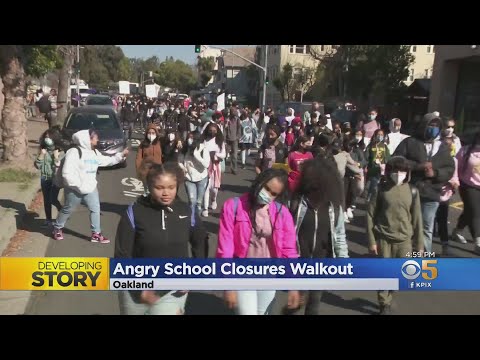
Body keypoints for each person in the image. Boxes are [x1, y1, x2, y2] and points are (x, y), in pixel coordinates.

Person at [115, 162, 208, 315]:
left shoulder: (187, 212)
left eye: (171, 187)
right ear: (150, 187)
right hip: (135, 290)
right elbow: (122, 254)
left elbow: (200, 243)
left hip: (172, 290)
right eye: (159, 188)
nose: (166, 193)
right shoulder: (134, 212)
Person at [216, 168, 300, 315]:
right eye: (266, 188)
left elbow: (289, 250)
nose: (267, 195)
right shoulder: (233, 206)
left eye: (274, 194)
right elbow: (225, 248)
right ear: (260, 182)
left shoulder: (282, 213)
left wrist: (293, 284)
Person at [287, 158, 349, 315]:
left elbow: (340, 236)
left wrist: (343, 261)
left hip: (321, 263)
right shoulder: (296, 203)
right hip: (299, 262)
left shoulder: (334, 209)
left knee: (314, 304)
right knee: (295, 303)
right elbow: (286, 232)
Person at [367, 156, 423, 315]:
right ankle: (384, 303)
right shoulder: (380, 189)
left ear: (408, 172)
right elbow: (370, 215)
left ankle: (390, 297)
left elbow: (418, 219)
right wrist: (372, 241)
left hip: (404, 240)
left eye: (403, 171)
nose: (399, 174)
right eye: (395, 170)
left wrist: (419, 246)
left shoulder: (412, 191)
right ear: (389, 171)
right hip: (384, 238)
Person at [393, 113, 455, 254]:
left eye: (436, 126)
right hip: (409, 191)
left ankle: (422, 257)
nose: (433, 129)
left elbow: (449, 168)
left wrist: (436, 173)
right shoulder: (410, 142)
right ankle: (404, 254)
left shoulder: (443, 147)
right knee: (406, 225)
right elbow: (396, 160)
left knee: (426, 227)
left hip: (432, 193)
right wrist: (417, 166)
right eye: (430, 125)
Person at [52, 129, 129, 242]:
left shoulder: (94, 152)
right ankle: (57, 228)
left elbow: (106, 161)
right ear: (87, 139)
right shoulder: (74, 152)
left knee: (95, 209)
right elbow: (67, 173)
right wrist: (77, 185)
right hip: (74, 188)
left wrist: (121, 155)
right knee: (68, 209)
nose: (97, 139)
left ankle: (96, 234)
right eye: (95, 137)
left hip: (91, 187)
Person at [452, 130, 480, 253]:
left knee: (469, 210)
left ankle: (457, 230)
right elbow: (455, 166)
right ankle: (478, 241)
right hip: (468, 185)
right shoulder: (465, 151)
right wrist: (454, 180)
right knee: (475, 212)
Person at [434, 130, 459, 255]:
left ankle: (445, 244)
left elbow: (455, 177)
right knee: (428, 221)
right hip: (432, 193)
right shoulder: (434, 159)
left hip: (445, 195)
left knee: (442, 219)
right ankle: (422, 249)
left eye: (450, 145)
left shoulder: (454, 161)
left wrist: (453, 184)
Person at [34, 129, 63, 227]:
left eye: (49, 137)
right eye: (46, 137)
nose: (47, 139)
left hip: (55, 179)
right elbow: (38, 166)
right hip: (45, 178)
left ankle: (62, 212)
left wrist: (56, 157)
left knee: (53, 199)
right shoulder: (43, 150)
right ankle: (48, 219)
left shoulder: (59, 151)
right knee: (46, 200)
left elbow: (58, 166)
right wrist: (42, 155)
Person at [178, 131, 210, 216]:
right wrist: (183, 168)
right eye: (189, 137)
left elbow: (207, 164)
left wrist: (197, 155)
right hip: (189, 179)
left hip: (202, 178)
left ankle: (197, 219)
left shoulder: (203, 149)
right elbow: (179, 161)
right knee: (192, 201)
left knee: (199, 203)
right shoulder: (185, 149)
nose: (189, 140)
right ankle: (192, 221)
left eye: (192, 138)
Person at [202, 123, 226, 217]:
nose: (212, 132)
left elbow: (223, 154)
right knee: (206, 188)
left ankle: (213, 199)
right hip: (206, 167)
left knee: (214, 189)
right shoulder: (204, 140)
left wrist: (215, 155)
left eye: (214, 131)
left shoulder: (220, 141)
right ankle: (205, 208)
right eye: (210, 130)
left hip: (216, 167)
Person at [136, 124, 163, 196]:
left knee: (156, 190)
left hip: (157, 171)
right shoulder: (143, 144)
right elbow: (139, 158)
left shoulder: (160, 143)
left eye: (153, 133)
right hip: (146, 171)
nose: (151, 135)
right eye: (149, 133)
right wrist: (139, 170)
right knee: (148, 191)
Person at [365, 129, 390, 201]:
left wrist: (386, 165)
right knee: (373, 182)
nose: (380, 136)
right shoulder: (371, 145)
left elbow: (388, 157)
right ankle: (369, 197)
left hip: (381, 169)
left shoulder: (384, 146)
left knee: (377, 184)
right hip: (372, 168)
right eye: (378, 134)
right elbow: (366, 156)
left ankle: (373, 198)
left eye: (382, 135)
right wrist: (366, 166)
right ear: (375, 135)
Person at [224, 107, 242, 175]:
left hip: (234, 139)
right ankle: (222, 168)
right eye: (232, 112)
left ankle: (234, 169)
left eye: (234, 112)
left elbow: (239, 128)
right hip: (227, 139)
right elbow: (224, 129)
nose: (234, 113)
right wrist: (224, 138)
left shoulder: (237, 119)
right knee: (224, 154)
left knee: (234, 155)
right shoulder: (227, 119)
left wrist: (238, 137)